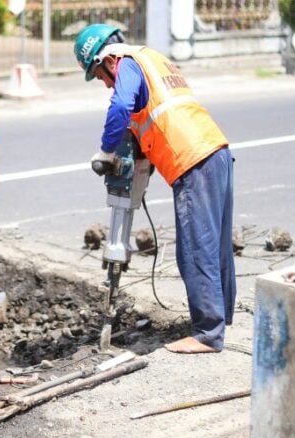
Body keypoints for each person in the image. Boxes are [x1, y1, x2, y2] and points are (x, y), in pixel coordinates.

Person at [74, 24, 236, 354]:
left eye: (100, 75)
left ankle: (208, 334)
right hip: (216, 149)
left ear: (107, 59)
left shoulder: (127, 64)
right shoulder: (153, 58)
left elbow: (120, 107)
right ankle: (222, 317)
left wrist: (107, 150)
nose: (105, 84)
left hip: (191, 160)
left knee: (195, 248)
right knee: (216, 243)